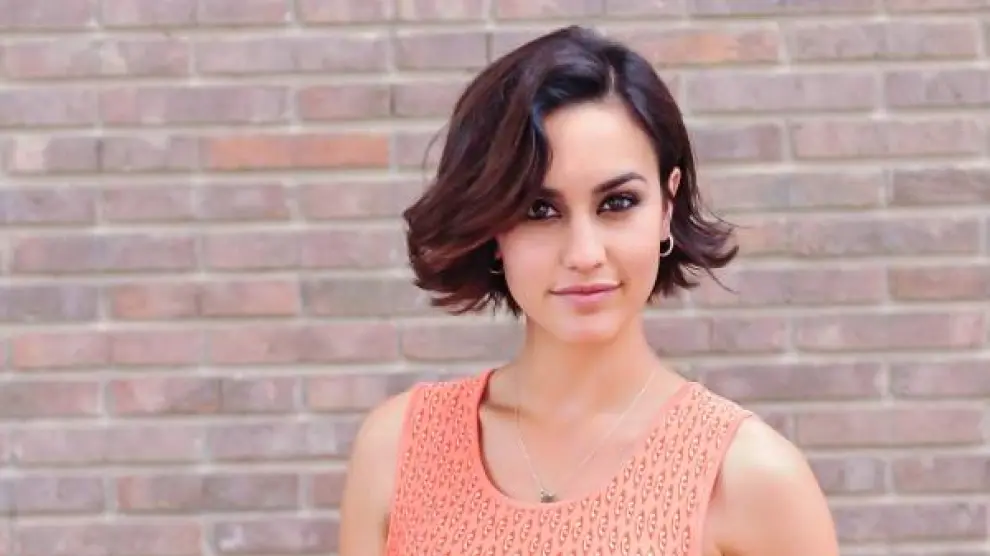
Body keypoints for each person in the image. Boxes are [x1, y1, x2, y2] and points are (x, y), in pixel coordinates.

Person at [338, 25, 839, 556]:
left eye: (617, 203)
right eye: (539, 210)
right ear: (491, 228)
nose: (584, 253)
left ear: (667, 207)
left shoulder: (751, 477)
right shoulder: (398, 448)